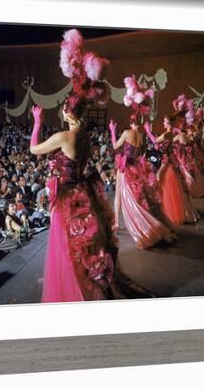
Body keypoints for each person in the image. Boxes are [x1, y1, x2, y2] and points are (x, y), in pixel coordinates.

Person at [30, 103, 118, 302]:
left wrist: (37, 122)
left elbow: (34, 149)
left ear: (68, 113)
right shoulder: (85, 136)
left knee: (65, 245)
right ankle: (76, 280)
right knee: (79, 246)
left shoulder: (63, 137)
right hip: (82, 194)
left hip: (65, 198)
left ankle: (68, 285)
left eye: (63, 109)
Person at [109, 114, 176, 249]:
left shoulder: (127, 133)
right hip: (135, 167)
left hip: (124, 168)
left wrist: (112, 130)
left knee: (120, 196)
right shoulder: (140, 136)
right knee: (137, 197)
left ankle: (117, 222)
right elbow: (140, 153)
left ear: (130, 122)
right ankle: (117, 221)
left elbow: (116, 146)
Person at [146, 115, 200, 226]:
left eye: (164, 122)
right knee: (171, 189)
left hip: (166, 164)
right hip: (169, 162)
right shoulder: (171, 134)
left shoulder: (167, 134)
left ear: (168, 124)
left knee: (166, 189)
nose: (163, 123)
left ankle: (167, 214)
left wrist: (147, 130)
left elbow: (155, 141)